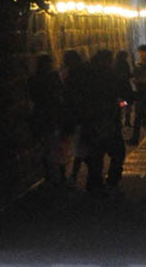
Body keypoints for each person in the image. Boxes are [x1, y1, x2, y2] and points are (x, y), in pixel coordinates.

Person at [81, 47, 126, 193]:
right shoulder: (107, 76)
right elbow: (115, 95)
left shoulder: (88, 76)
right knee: (117, 152)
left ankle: (95, 184)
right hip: (106, 119)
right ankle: (110, 182)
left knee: (96, 154)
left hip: (94, 120)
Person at [27, 53, 65, 186]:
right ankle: (55, 174)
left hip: (39, 114)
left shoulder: (33, 79)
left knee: (42, 144)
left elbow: (32, 95)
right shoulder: (53, 77)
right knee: (53, 145)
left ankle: (45, 172)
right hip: (51, 114)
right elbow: (60, 92)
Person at [59, 49, 88, 187]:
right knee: (78, 147)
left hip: (72, 114)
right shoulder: (81, 74)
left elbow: (68, 94)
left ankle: (67, 175)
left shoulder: (73, 75)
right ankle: (71, 175)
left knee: (71, 145)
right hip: (77, 115)